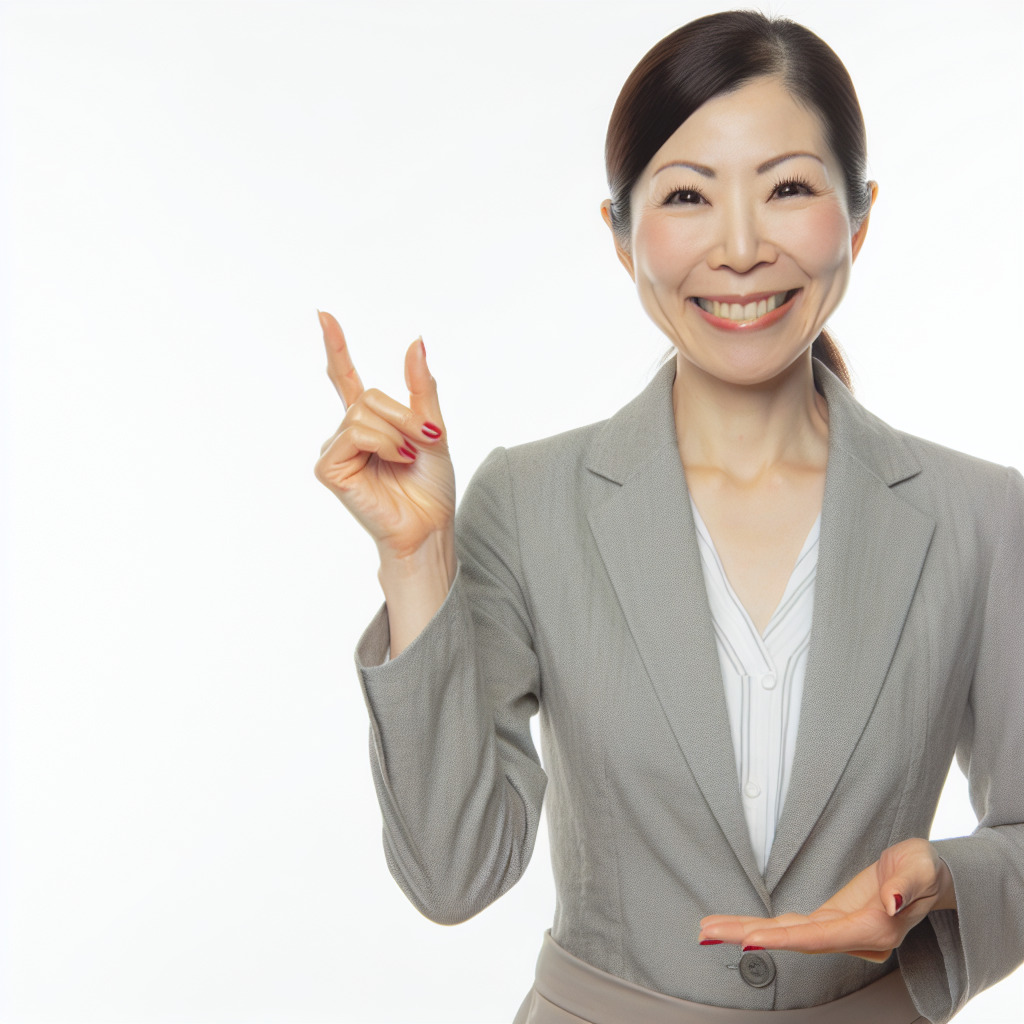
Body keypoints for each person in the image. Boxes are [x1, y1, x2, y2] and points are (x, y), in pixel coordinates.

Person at [314, 11, 1024, 1023]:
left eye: (787, 189)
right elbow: (453, 873)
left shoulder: (978, 513)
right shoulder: (529, 502)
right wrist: (416, 563)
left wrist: (943, 880)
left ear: (859, 219)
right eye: (688, 195)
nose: (739, 248)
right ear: (620, 236)